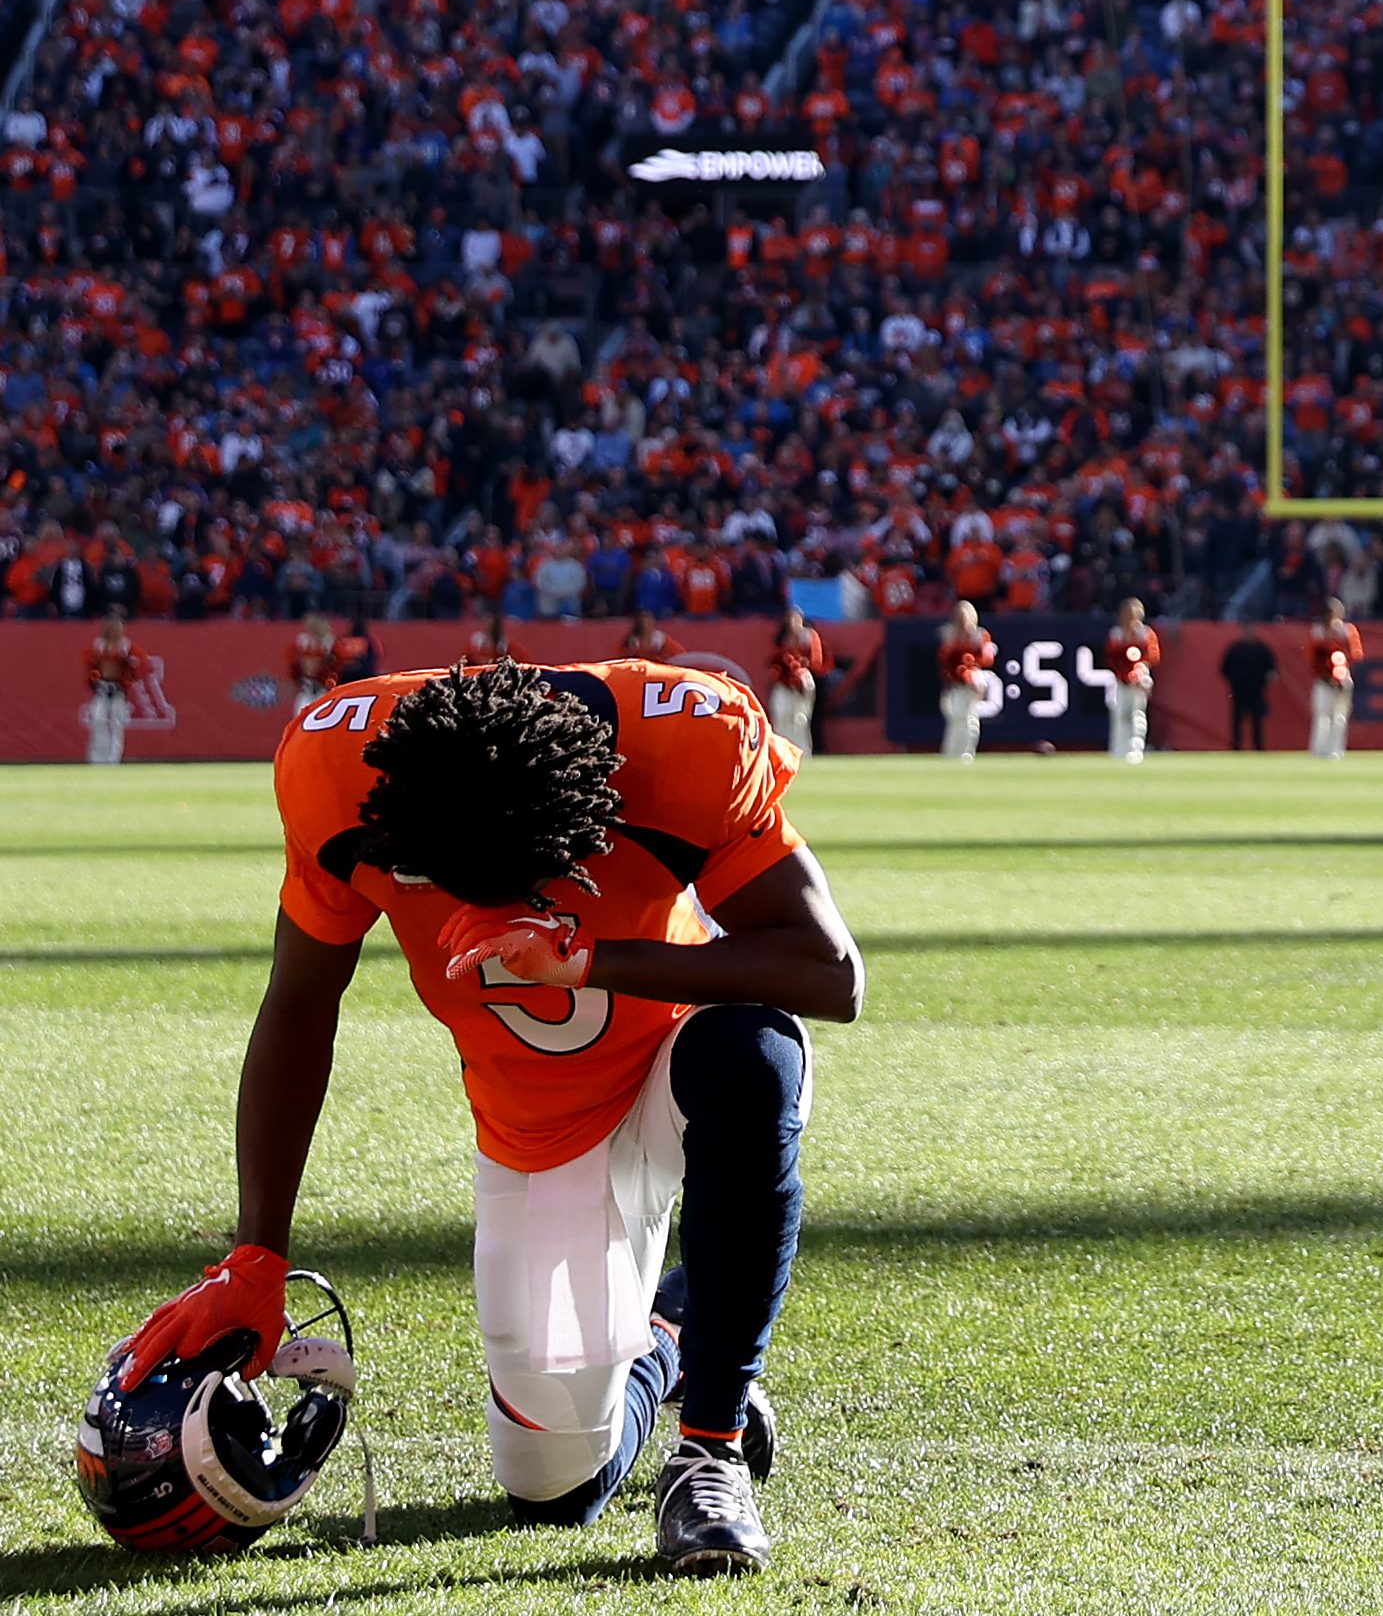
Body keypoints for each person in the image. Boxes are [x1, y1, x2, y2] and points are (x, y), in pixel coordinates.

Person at [110, 649, 867, 1573]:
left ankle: (708, 1452)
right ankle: (673, 1335)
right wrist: (256, 1253)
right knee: (555, 1492)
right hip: (539, 1137)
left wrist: (592, 960)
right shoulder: (334, 768)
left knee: (752, 1054)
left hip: (677, 1065)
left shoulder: (682, 740)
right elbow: (301, 1001)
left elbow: (827, 973)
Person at [934, 600, 994, 764]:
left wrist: (973, 674)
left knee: (969, 723)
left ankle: (964, 756)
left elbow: (987, 658)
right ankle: (953, 756)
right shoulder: (949, 637)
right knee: (959, 722)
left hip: (968, 687)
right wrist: (968, 676)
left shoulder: (978, 636)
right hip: (955, 688)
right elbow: (952, 664)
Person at [1104, 597, 1162, 764]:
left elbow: (1153, 656)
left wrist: (1139, 671)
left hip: (1140, 679)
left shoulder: (1146, 633)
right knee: (1119, 714)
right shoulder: (1117, 634)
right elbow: (1111, 658)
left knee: (1137, 714)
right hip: (1121, 680)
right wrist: (1124, 673)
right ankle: (1118, 749)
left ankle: (1135, 749)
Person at [764, 610, 828, 756]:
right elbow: (775, 661)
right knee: (781, 716)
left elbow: (816, 661)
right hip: (784, 684)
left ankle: (802, 753)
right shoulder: (782, 638)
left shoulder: (808, 636)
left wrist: (799, 668)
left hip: (802, 682)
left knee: (800, 719)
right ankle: (780, 752)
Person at [1306, 597, 1360, 761]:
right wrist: (1325, 674)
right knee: (1322, 715)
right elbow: (1312, 658)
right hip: (1323, 680)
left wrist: (1341, 671)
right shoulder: (1318, 632)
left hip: (1342, 680)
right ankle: (1318, 750)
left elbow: (1355, 654)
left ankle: (1336, 750)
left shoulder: (1347, 631)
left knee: (1339, 716)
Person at [86, 603, 135, 766]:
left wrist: (123, 685)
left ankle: (114, 758)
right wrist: (97, 682)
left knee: (116, 722)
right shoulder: (98, 645)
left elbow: (132, 670)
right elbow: (92, 667)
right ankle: (98, 756)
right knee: (98, 719)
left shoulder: (126, 646)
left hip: (118, 689)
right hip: (102, 688)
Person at [1219, 626, 1278, 752]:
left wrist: (1266, 678)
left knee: (1257, 721)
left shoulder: (1261, 650)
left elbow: (1272, 670)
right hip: (1239, 690)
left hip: (1256, 690)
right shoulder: (1235, 649)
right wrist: (1234, 681)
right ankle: (1236, 747)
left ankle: (1258, 748)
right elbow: (1224, 669)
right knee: (1237, 721)